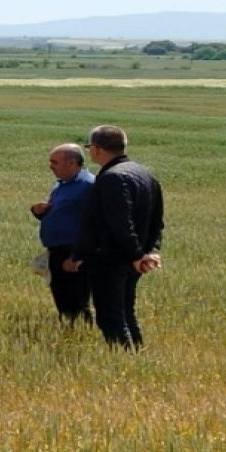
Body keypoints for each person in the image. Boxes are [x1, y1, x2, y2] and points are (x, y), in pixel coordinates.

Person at [66, 125, 164, 349]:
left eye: (90, 147)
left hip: (111, 259)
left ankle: (125, 358)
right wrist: (150, 251)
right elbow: (157, 220)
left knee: (110, 316)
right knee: (126, 311)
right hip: (133, 260)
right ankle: (138, 354)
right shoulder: (145, 173)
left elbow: (120, 222)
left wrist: (137, 254)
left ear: (98, 149)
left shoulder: (112, 178)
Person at [30, 143, 95, 324]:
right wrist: (38, 212)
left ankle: (83, 336)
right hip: (56, 252)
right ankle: (69, 333)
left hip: (74, 253)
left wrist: (77, 256)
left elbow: (92, 225)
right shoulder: (61, 185)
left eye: (55, 162)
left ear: (72, 163)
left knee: (78, 301)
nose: (51, 166)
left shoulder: (89, 186)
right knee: (63, 300)